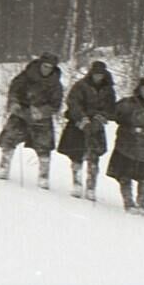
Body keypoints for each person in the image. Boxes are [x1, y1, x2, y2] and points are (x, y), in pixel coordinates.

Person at [0, 52, 64, 188]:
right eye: (45, 66)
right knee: (8, 139)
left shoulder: (56, 85)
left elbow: (56, 105)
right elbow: (14, 90)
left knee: (44, 147)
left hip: (42, 118)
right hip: (21, 113)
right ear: (40, 64)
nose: (46, 69)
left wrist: (42, 112)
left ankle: (43, 177)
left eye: (50, 67)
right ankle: (3, 168)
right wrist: (14, 103)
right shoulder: (26, 76)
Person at [57, 60, 116, 201]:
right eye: (96, 74)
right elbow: (73, 103)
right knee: (76, 154)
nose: (98, 77)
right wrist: (81, 118)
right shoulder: (80, 86)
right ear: (91, 73)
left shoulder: (108, 90)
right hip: (78, 124)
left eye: (100, 74)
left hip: (96, 126)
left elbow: (111, 108)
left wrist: (100, 118)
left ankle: (91, 187)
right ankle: (77, 183)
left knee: (94, 156)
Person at [108, 75, 144, 215]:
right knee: (124, 175)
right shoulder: (128, 103)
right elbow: (112, 113)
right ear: (139, 89)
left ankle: (141, 205)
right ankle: (128, 203)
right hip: (127, 143)